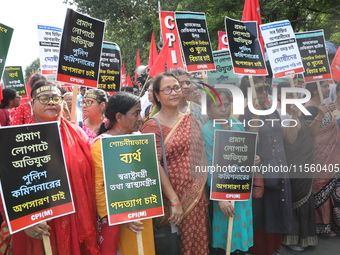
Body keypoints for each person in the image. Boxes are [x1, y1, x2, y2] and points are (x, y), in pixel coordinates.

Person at [6, 80, 99, 255]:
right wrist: (24, 221)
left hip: (74, 217)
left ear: (62, 103)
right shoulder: (16, 138)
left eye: (55, 98)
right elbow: (8, 187)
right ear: (31, 103)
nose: (50, 102)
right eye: (43, 98)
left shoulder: (78, 133)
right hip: (37, 223)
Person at [142, 72, 209, 255]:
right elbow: (153, 165)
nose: (174, 93)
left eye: (177, 87)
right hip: (171, 201)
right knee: (176, 246)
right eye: (167, 89)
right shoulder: (152, 125)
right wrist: (174, 200)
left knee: (196, 244)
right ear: (157, 95)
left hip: (196, 197)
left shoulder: (190, 120)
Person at [91, 92, 155, 254]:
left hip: (142, 212)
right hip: (117, 221)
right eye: (135, 113)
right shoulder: (100, 145)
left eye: (140, 112)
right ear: (119, 117)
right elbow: (98, 189)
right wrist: (121, 216)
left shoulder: (139, 139)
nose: (140, 118)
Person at [238, 76, 293, 255]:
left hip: (279, 167)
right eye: (259, 89)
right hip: (262, 172)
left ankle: (275, 247)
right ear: (249, 93)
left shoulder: (272, 110)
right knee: (264, 211)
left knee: (279, 206)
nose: (264, 93)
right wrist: (255, 113)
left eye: (266, 89)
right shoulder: (244, 114)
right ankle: (262, 250)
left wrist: (295, 115)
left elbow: (287, 139)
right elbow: (251, 143)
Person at [202, 89, 254, 255]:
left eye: (227, 104)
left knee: (242, 229)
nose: (223, 109)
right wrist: (220, 198)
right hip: (223, 190)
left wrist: (254, 158)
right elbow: (210, 166)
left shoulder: (236, 123)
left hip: (242, 186)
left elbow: (244, 152)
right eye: (218, 106)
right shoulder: (208, 130)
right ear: (208, 109)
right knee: (227, 235)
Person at [277, 81, 326, 251]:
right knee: (296, 200)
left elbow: (312, 134)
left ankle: (304, 237)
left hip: (306, 164)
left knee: (305, 199)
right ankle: (291, 238)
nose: (294, 98)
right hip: (293, 167)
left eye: (296, 95)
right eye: (290, 95)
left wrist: (319, 116)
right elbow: (290, 140)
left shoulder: (299, 112)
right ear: (280, 97)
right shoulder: (280, 115)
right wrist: (293, 116)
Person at [303, 82, 340, 236]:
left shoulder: (323, 105)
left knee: (330, 191)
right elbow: (310, 135)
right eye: (324, 86)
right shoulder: (311, 108)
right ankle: (321, 226)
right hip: (319, 157)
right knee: (320, 188)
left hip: (330, 157)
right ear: (314, 90)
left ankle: (329, 224)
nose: (327, 89)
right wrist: (320, 114)